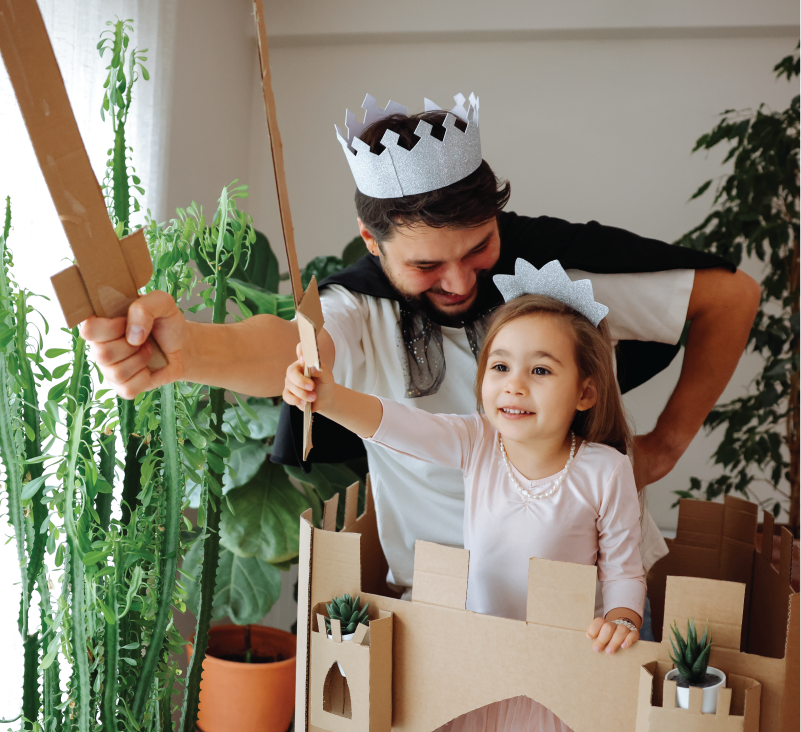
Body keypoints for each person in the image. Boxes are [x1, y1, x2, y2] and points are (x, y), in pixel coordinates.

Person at [81, 91, 760, 608]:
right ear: (372, 243)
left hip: (592, 600)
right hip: (440, 601)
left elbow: (730, 299)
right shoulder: (357, 309)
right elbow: (293, 350)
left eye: (479, 249)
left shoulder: (561, 277)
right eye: (427, 265)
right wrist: (192, 351)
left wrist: (667, 443)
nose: (460, 281)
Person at [283, 259, 646, 732]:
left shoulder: (606, 470)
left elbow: (623, 568)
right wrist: (330, 399)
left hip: (559, 661)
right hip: (479, 654)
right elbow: (400, 425)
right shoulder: (478, 443)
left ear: (586, 392)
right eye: (500, 366)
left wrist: (621, 618)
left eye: (540, 370)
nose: (514, 383)